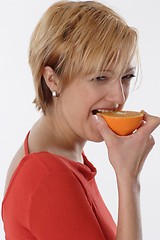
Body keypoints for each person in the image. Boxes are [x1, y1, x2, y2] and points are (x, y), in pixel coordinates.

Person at [2, 1, 160, 239]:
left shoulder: (61, 155)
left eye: (126, 76)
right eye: (100, 77)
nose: (119, 97)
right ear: (52, 79)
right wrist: (128, 178)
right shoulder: (47, 176)